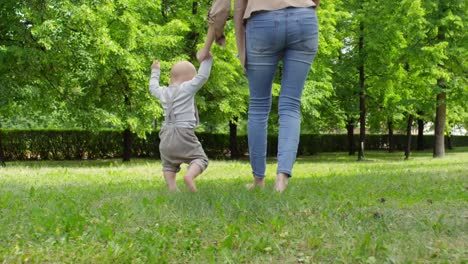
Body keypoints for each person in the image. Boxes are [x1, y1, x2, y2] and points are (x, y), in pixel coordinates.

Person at [198, 0, 320, 192]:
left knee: (259, 107)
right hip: (304, 18)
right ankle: (282, 179)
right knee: (290, 105)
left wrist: (209, 44)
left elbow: (221, 6)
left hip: (263, 21)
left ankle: (258, 180)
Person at [149, 54, 213, 192]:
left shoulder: (163, 92)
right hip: (183, 133)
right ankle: (189, 176)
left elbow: (152, 87)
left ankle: (172, 187)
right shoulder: (187, 88)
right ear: (190, 79)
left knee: (168, 165)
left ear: (171, 78)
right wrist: (207, 60)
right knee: (200, 159)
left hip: (165, 136)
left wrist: (155, 71)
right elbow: (202, 77)